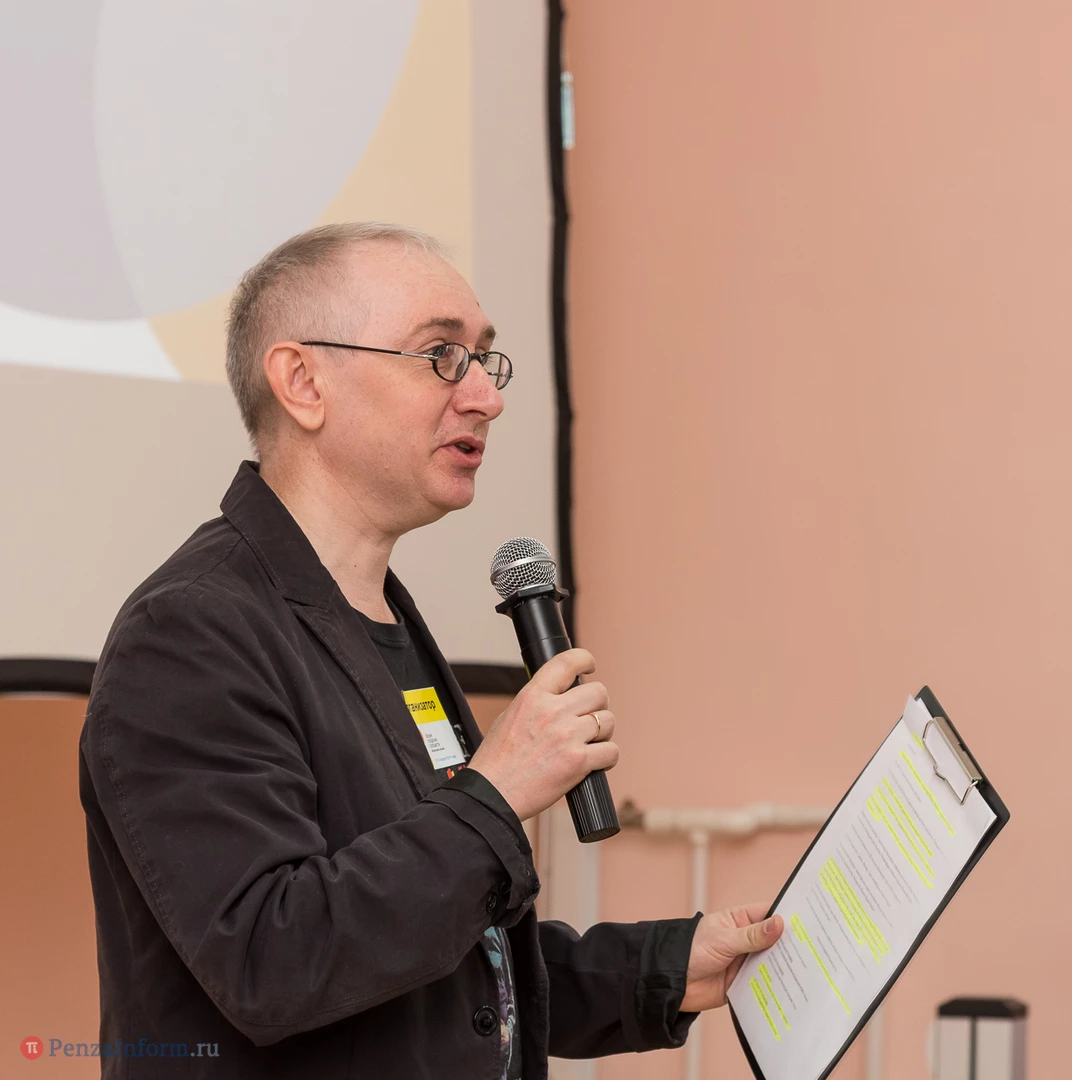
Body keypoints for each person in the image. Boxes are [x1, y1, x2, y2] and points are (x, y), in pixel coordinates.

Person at [79, 222, 783, 1078]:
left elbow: (446, 953)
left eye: (484, 358)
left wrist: (663, 970)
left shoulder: (381, 620)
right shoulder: (190, 634)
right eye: (442, 355)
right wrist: (499, 791)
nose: (485, 395)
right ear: (303, 382)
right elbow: (274, 959)